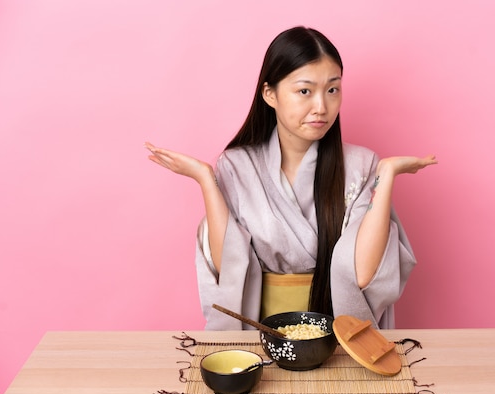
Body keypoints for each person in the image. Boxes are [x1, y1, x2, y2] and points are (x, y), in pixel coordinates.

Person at [145, 26, 437, 330]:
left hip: (338, 333)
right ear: (270, 94)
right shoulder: (237, 165)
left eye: (333, 89)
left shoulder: (362, 165)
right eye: (305, 91)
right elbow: (229, 266)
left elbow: (363, 274)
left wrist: (387, 174)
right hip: (261, 332)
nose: (321, 107)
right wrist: (205, 179)